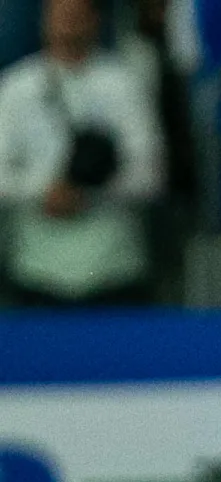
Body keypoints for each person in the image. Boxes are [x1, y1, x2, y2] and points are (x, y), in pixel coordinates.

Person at [0, 0, 165, 306]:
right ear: (44, 20)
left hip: (113, 264)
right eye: (60, 15)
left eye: (78, 16)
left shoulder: (124, 85)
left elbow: (151, 175)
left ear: (96, 21)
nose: (68, 25)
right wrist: (45, 191)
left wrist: (87, 194)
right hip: (37, 266)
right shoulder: (15, 87)